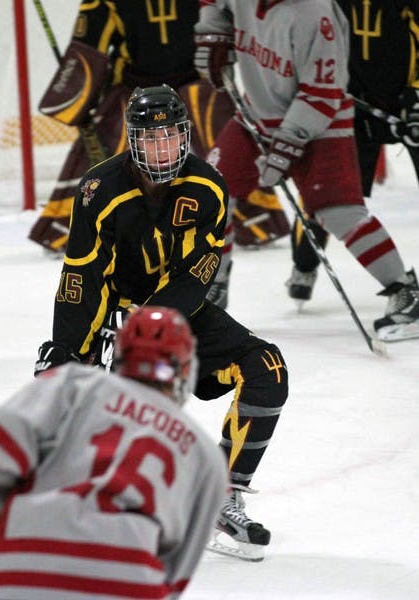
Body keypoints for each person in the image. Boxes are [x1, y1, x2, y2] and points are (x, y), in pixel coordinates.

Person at [34, 84, 289, 561]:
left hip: (177, 312)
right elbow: (82, 275)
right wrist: (67, 349)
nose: (161, 149)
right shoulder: (99, 188)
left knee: (267, 369)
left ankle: (223, 494)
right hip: (114, 310)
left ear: (184, 136)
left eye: (170, 137)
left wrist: (153, 322)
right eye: (150, 140)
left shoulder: (208, 185)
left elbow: (199, 273)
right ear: (132, 141)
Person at [27, 0, 289, 311]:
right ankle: (67, 227)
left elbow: (227, 25)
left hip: (196, 80)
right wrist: (77, 97)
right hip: (138, 92)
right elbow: (89, 48)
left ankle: (258, 219)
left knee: (230, 152)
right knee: (105, 148)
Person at [194, 0, 419, 342]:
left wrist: (286, 147)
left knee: (339, 212)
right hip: (256, 115)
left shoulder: (314, 12)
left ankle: (405, 291)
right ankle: (213, 286)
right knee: (210, 192)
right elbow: (214, 4)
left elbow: (323, 92)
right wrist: (213, 30)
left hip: (321, 123)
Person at [0, 306, 228, 599]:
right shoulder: (205, 456)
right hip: (125, 584)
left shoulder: (73, 385)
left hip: (19, 572)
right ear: (184, 370)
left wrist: (11, 513)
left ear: (118, 355)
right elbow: (176, 573)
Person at [286, 0, 419, 320]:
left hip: (408, 105)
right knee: (330, 197)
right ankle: (304, 265)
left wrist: (416, 93)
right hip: (351, 107)